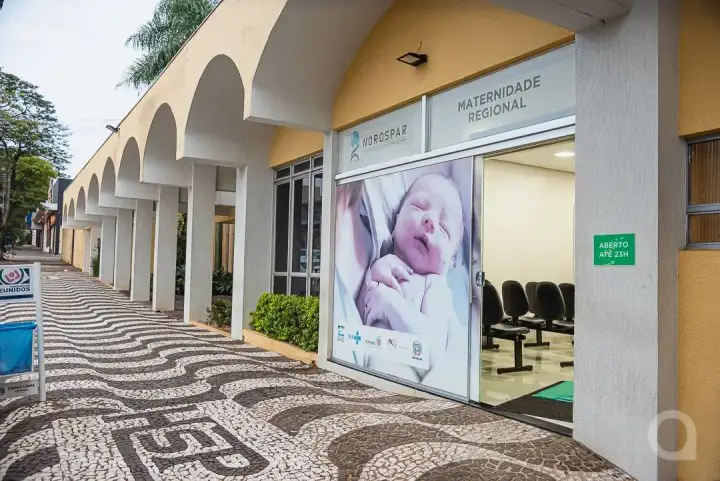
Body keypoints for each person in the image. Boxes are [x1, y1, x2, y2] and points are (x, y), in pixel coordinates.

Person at [356, 173, 465, 382]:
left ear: (450, 262)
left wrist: (390, 305)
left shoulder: (433, 285)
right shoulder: (379, 264)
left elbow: (432, 350)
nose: (430, 220)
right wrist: (371, 276)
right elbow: (358, 317)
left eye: (444, 228)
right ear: (395, 220)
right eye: (419, 206)